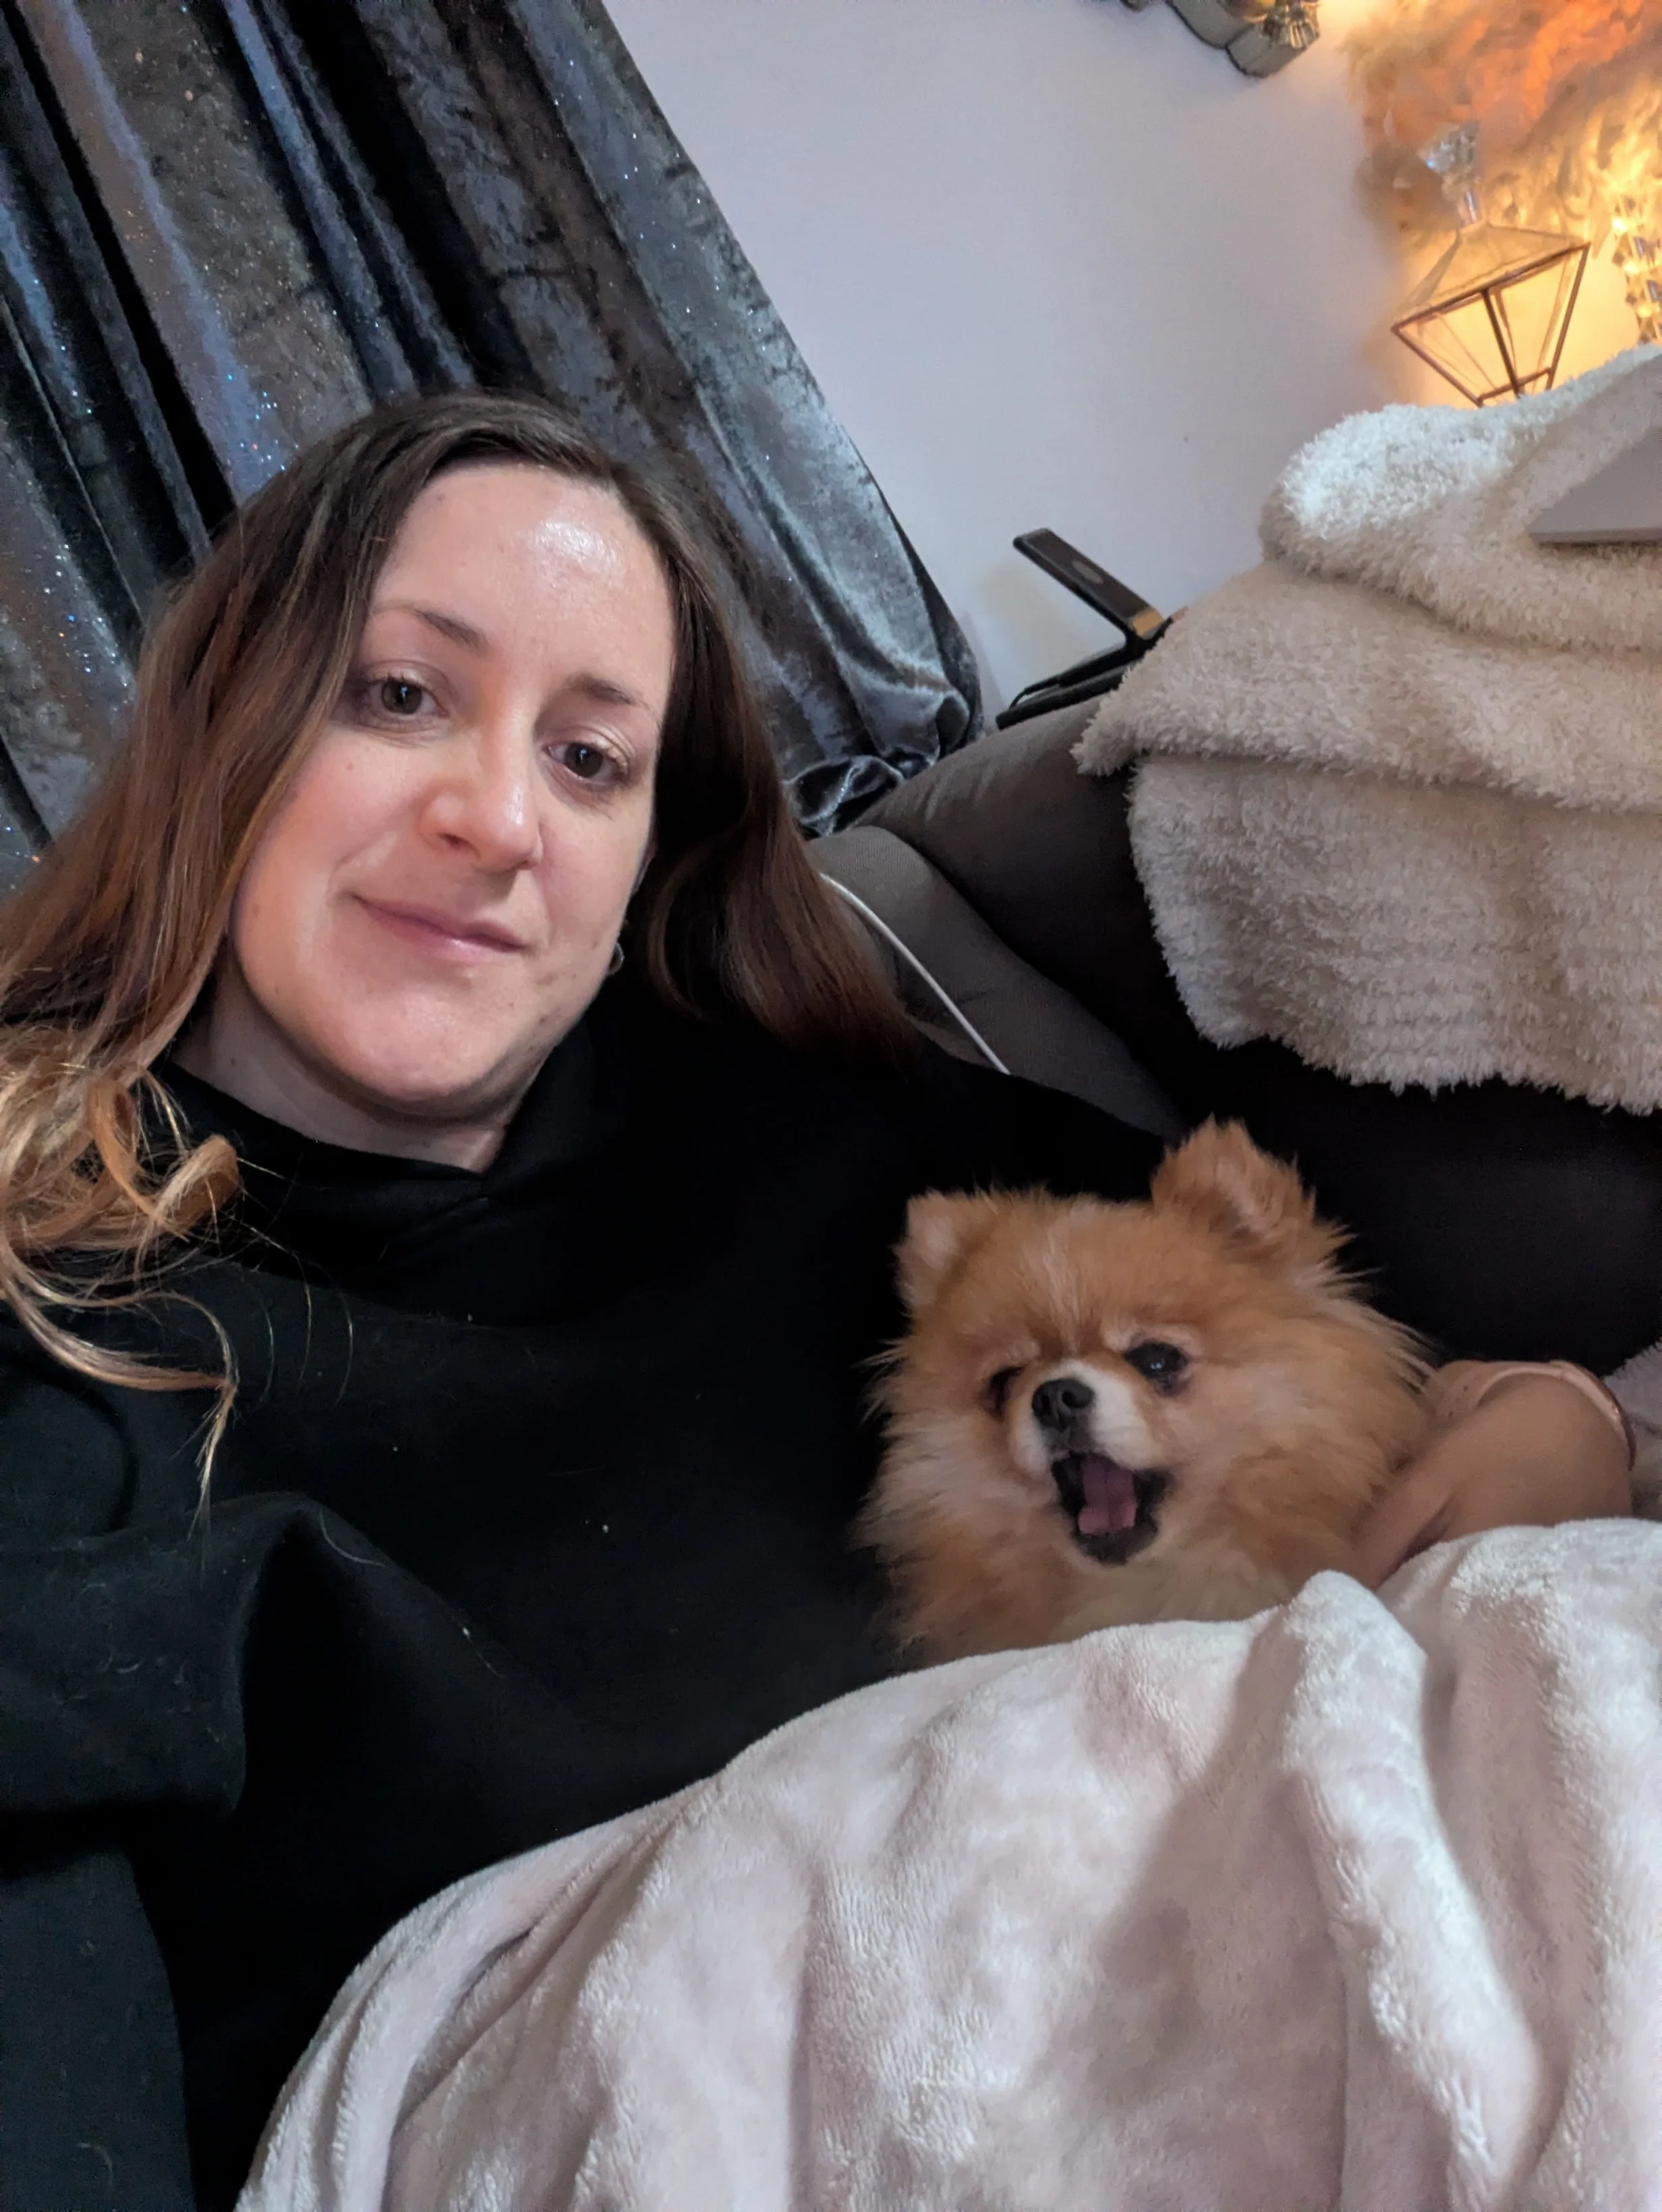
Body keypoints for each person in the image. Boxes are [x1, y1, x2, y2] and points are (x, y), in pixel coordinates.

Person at [0, 392, 1629, 2212]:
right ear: (223, 718)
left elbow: (1283, 1333)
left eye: (591, 758)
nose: (496, 817)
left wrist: (1550, 1409)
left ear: (644, 856)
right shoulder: (55, 1321)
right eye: (401, 694)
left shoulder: (806, 1121)